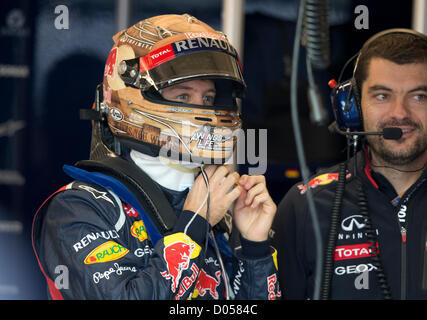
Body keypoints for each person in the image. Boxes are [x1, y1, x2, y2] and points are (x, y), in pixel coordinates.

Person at [31, 14, 280, 300]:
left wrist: (254, 247)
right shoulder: (79, 208)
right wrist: (193, 226)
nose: (203, 111)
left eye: (208, 99)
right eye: (183, 97)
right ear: (131, 94)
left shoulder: (219, 210)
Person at [271, 29, 427, 299]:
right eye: (382, 95)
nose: (400, 113)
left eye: (419, 97)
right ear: (351, 107)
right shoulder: (305, 206)